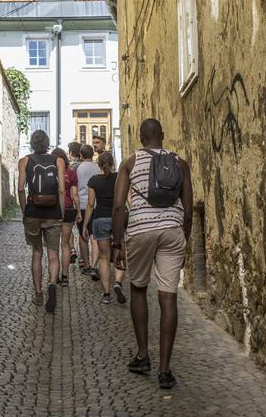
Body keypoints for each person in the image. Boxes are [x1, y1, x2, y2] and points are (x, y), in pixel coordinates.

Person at [112, 118, 193, 389]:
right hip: (173, 230)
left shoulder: (130, 163)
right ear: (163, 135)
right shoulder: (180, 163)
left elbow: (119, 207)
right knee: (168, 296)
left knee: (138, 289)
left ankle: (143, 355)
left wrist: (116, 243)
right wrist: (185, 239)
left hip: (141, 230)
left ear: (140, 137)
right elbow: (189, 208)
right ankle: (165, 370)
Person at [18, 130, 66, 313]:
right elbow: (61, 190)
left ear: (32, 144)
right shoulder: (58, 161)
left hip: (33, 213)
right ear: (47, 143)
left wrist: (24, 212)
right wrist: (60, 213)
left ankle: (38, 293)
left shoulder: (24, 161)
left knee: (37, 252)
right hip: (53, 212)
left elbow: (21, 188)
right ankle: (52, 283)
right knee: (53, 254)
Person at [82, 152, 127, 304]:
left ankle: (106, 294)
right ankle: (118, 283)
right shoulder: (120, 178)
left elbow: (90, 205)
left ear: (99, 165)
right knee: (120, 253)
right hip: (118, 219)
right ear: (113, 163)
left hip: (100, 219)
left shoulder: (93, 181)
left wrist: (85, 225)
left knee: (104, 257)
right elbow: (127, 201)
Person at [50, 147, 80, 287]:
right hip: (68, 210)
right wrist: (78, 211)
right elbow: (74, 195)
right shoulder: (71, 173)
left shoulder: (50, 172)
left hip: (53, 209)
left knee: (53, 245)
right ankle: (65, 276)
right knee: (66, 244)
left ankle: (53, 276)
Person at [76, 145, 100, 278]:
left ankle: (86, 264)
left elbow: (77, 187)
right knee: (94, 236)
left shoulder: (79, 168)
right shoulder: (97, 167)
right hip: (96, 204)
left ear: (81, 154)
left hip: (83, 204)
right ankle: (94, 264)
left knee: (82, 235)